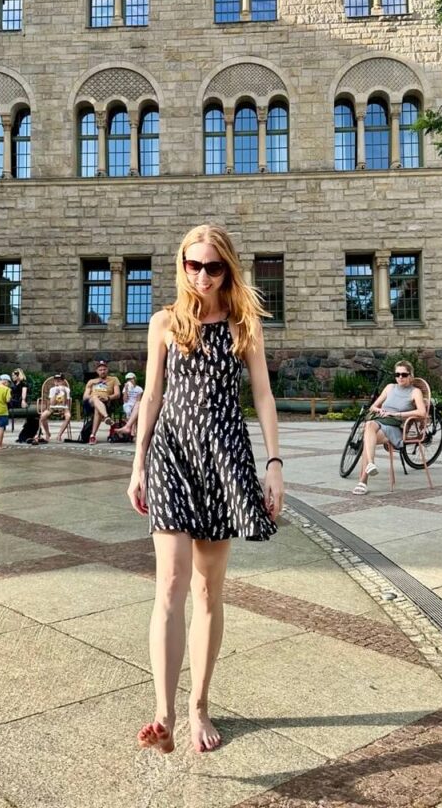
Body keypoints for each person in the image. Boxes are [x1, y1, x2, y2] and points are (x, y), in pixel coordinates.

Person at [127, 223, 283, 755]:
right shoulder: (165, 323)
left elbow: (262, 396)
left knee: (207, 590)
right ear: (181, 265)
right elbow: (152, 395)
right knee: (168, 584)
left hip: (223, 460)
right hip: (171, 455)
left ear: (228, 270)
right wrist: (138, 462)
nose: (201, 276)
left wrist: (275, 463)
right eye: (192, 265)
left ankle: (199, 706)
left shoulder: (245, 325)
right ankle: (163, 713)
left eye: (212, 267)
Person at [352, 361, 426, 495]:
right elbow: (374, 406)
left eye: (404, 374)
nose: (400, 377)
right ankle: (369, 467)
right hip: (380, 420)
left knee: (368, 437)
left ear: (411, 376)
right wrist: (379, 411)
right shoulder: (389, 387)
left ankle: (363, 480)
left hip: (395, 427)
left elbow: (422, 413)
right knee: (369, 427)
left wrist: (397, 414)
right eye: (397, 374)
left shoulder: (415, 392)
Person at [82, 360, 120, 443]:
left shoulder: (114, 379)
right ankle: (106, 417)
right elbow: (85, 397)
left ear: (107, 370)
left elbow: (117, 394)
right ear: (97, 371)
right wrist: (94, 396)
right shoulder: (91, 381)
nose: (102, 371)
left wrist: (108, 398)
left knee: (97, 408)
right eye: (100, 370)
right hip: (90, 403)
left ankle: (92, 436)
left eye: (104, 369)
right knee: (95, 398)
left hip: (106, 403)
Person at [37, 373, 71, 442]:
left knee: (68, 416)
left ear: (63, 381)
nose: (57, 382)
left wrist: (64, 392)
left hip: (64, 407)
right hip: (53, 406)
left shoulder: (67, 390)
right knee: (43, 416)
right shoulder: (52, 389)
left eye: (59, 381)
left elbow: (65, 403)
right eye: (56, 381)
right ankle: (47, 433)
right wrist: (55, 393)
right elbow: (51, 403)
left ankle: (59, 435)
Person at [115, 372, 143, 437]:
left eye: (131, 379)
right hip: (127, 404)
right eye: (128, 379)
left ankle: (131, 429)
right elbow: (125, 400)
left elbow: (138, 400)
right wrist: (126, 389)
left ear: (134, 379)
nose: (130, 381)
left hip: (135, 404)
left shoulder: (139, 389)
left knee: (135, 410)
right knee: (129, 411)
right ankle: (133, 430)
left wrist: (134, 406)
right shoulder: (125, 388)